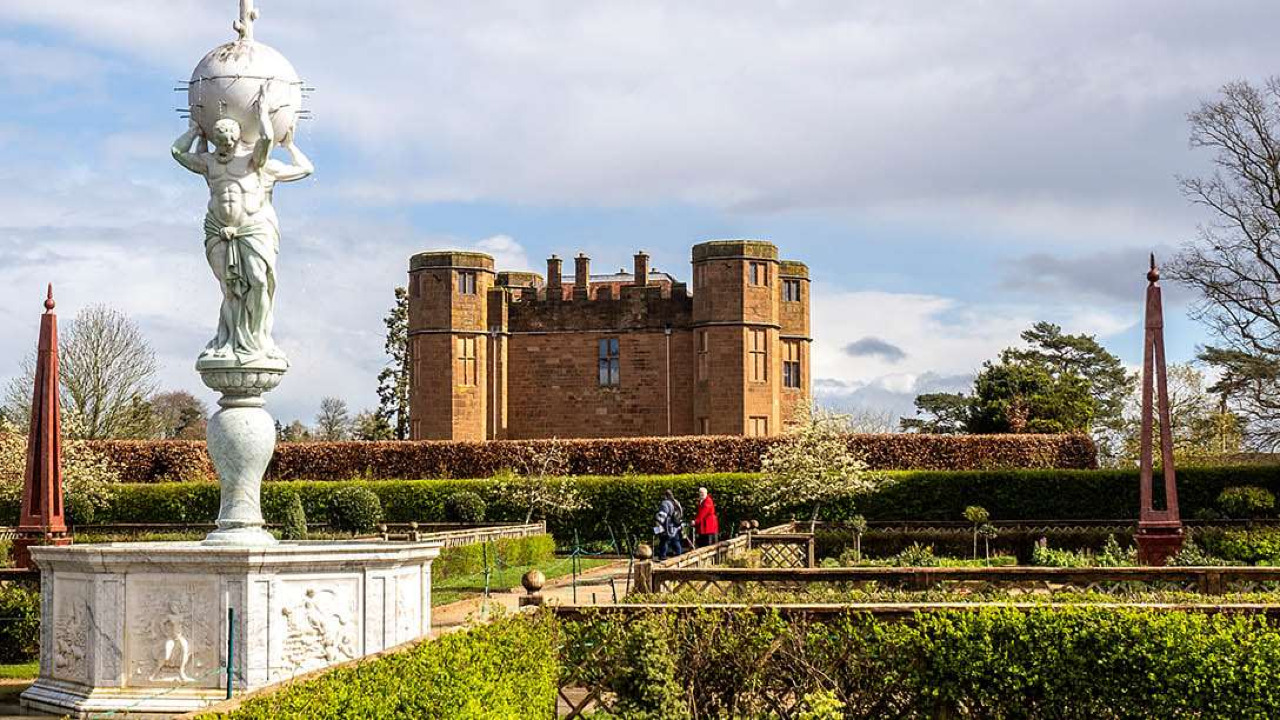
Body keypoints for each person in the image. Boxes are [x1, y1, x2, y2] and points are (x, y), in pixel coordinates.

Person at [653, 489, 685, 560]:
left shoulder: (665, 503)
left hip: (667, 526)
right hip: (676, 525)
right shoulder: (676, 502)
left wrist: (657, 519)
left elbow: (662, 516)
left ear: (665, 496)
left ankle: (662, 557)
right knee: (676, 541)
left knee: (664, 541)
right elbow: (681, 513)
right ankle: (679, 556)